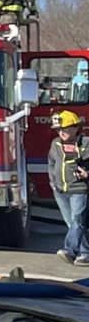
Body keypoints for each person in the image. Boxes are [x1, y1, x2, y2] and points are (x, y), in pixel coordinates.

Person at [50, 111, 89, 265]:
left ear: (75, 128)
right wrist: (52, 181)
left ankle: (69, 250)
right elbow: (51, 162)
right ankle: (85, 254)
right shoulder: (55, 144)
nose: (61, 133)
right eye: (59, 130)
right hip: (60, 191)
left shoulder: (86, 143)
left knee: (77, 221)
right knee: (72, 223)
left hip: (79, 189)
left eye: (64, 129)